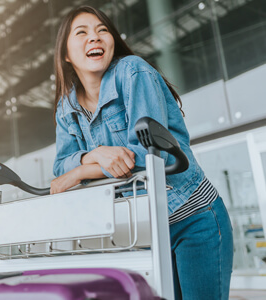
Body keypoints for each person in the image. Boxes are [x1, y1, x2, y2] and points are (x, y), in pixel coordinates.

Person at [50, 5, 233, 300]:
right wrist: (97, 154)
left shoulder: (132, 71)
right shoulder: (67, 107)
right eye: (81, 33)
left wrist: (82, 170)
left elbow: (148, 157)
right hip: (144, 228)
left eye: (102, 30)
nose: (94, 38)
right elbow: (61, 166)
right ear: (66, 55)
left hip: (193, 217)